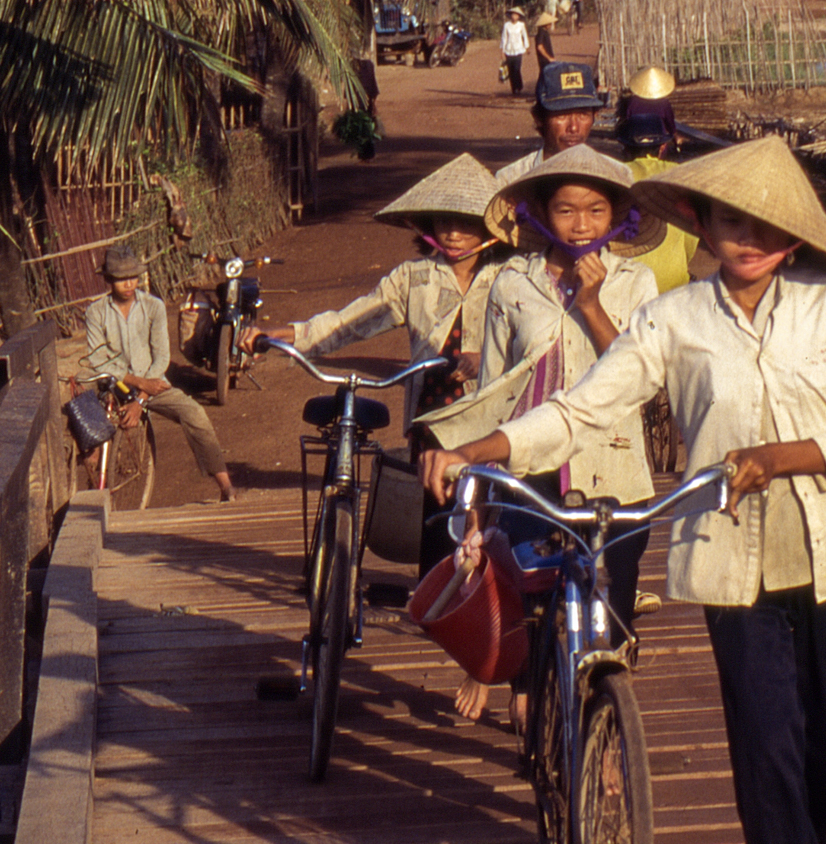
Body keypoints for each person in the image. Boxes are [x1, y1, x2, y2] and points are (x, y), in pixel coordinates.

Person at [420, 137, 826, 844]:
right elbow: (584, 408)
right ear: (705, 228)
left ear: (791, 239)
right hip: (730, 567)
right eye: (730, 223)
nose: (747, 240)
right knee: (767, 760)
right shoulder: (672, 319)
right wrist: (479, 449)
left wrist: (784, 457)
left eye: (764, 226)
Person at [417, 144, 664, 722]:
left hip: (617, 474)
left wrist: (592, 303)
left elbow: (643, 380)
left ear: (619, 216)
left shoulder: (636, 281)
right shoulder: (511, 283)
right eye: (566, 210)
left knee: (611, 622)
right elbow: (497, 395)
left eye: (597, 211)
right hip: (530, 474)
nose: (582, 224)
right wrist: (478, 483)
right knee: (532, 605)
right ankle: (527, 689)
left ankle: (604, 737)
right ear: (538, 214)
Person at [245, 155, 509, 570]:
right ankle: (433, 596)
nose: (454, 234)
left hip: (492, 415)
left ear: (490, 228)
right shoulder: (413, 277)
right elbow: (355, 320)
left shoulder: (511, 276)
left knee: (489, 512)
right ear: (429, 226)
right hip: (432, 416)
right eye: (444, 222)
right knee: (437, 511)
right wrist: (296, 334)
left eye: (467, 222)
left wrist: (487, 356)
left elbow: (531, 341)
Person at [86, 245, 237, 502]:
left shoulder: (153, 307)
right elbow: (98, 360)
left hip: (155, 384)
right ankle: (96, 497)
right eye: (121, 279)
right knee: (88, 439)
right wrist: (134, 382)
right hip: (113, 386)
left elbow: (162, 358)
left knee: (195, 414)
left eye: (132, 277)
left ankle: (225, 487)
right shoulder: (95, 312)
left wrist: (141, 397)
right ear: (109, 280)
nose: (129, 284)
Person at [618, 65, 696, 293]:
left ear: (624, 146)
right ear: (663, 146)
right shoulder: (679, 177)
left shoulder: (614, 177)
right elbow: (691, 238)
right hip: (673, 284)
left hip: (627, 287)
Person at [494, 63, 603, 188]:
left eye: (583, 115)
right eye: (562, 115)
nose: (573, 127)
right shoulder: (510, 180)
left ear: (594, 116)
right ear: (539, 118)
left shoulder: (613, 176)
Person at [498, 6, 529, 96]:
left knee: (517, 69)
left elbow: (525, 36)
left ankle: (519, 86)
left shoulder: (521, 25)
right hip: (509, 50)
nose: (514, 16)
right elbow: (504, 38)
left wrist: (526, 47)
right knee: (511, 70)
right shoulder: (506, 25)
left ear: (518, 16)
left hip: (518, 49)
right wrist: (502, 51)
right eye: (512, 14)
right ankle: (514, 89)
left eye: (516, 15)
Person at [531, 10, 556, 80]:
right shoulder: (541, 33)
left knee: (544, 75)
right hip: (544, 60)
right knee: (545, 75)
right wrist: (549, 58)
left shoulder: (544, 32)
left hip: (546, 59)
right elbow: (540, 47)